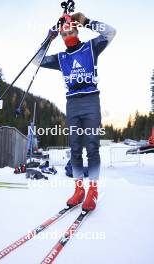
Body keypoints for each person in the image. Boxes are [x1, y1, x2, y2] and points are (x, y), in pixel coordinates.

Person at [33, 12, 116, 211]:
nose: (67, 34)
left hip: (90, 100)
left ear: (76, 29)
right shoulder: (61, 58)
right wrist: (48, 39)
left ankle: (92, 191)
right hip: (72, 103)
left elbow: (111, 32)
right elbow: (37, 61)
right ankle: (79, 189)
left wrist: (86, 22)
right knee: (76, 148)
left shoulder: (90, 47)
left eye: (70, 30)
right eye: (63, 33)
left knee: (92, 146)